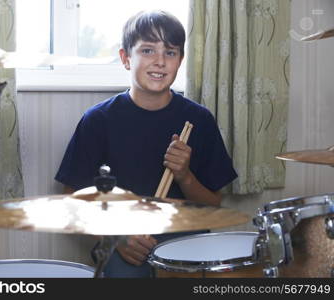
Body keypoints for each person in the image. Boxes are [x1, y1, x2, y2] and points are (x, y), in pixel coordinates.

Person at [55, 10, 238, 277]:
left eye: (171, 52)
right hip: (124, 240)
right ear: (126, 58)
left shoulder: (199, 119)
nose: (160, 62)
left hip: (186, 238)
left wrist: (184, 176)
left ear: (181, 60)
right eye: (148, 50)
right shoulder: (98, 120)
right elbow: (72, 198)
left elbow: (213, 206)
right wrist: (116, 237)